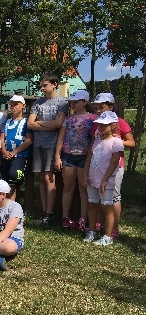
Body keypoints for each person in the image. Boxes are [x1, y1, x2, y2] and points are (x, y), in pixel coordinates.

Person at [89, 93, 135, 239]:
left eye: (101, 107)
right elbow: (94, 143)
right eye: (96, 108)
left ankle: (113, 228)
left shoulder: (120, 122)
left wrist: (118, 141)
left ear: (111, 106)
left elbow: (132, 143)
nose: (98, 110)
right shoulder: (97, 124)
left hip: (115, 166)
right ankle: (99, 224)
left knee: (113, 197)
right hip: (98, 165)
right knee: (98, 197)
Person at [27, 72, 69, 225]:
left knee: (49, 178)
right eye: (41, 86)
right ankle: (44, 211)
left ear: (54, 84)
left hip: (52, 145)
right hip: (38, 144)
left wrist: (40, 124)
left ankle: (50, 213)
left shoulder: (62, 102)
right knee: (41, 178)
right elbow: (30, 124)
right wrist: (48, 125)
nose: (42, 89)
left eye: (45, 85)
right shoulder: (38, 102)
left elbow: (58, 124)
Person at [54, 90, 97, 229]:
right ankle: (65, 217)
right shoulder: (68, 119)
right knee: (68, 187)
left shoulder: (93, 119)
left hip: (85, 157)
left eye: (76, 102)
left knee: (83, 189)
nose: (73, 104)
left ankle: (83, 219)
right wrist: (57, 156)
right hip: (68, 156)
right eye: (71, 102)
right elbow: (61, 137)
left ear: (85, 102)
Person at [83, 111, 123, 246]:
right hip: (92, 179)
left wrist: (105, 179)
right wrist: (85, 174)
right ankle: (92, 231)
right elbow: (90, 157)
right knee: (92, 204)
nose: (100, 127)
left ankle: (108, 235)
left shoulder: (116, 142)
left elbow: (114, 162)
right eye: (99, 124)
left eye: (104, 125)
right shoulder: (97, 140)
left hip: (106, 181)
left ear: (113, 125)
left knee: (107, 207)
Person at [0, 95, 33, 201]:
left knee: (14, 177)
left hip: (20, 155)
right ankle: (7, 206)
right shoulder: (7, 122)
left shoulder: (26, 122)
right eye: (11, 105)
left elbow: (29, 140)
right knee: (5, 181)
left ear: (23, 106)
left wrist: (14, 152)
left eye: (16, 104)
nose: (13, 107)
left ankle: (13, 206)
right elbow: (2, 138)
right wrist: (4, 151)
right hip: (6, 155)